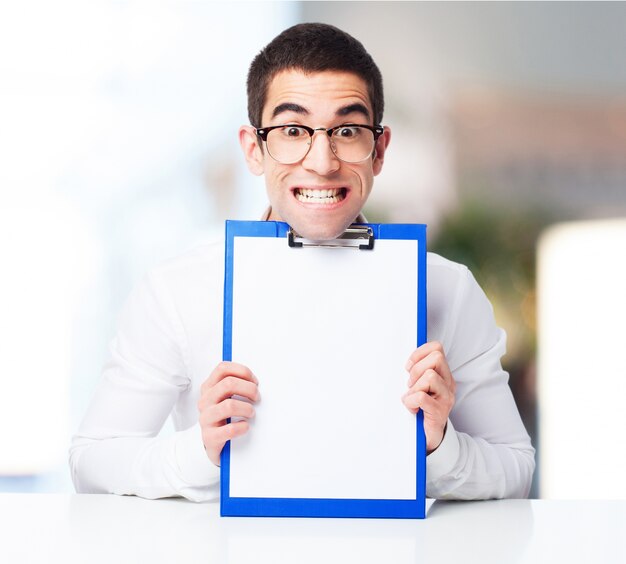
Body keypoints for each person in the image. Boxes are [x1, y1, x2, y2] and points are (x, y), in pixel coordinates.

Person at [69, 23, 535, 501]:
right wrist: (200, 449)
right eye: (293, 130)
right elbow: (92, 462)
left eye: (348, 130)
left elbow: (516, 468)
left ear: (379, 150)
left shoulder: (447, 288)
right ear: (255, 148)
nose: (323, 161)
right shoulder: (178, 289)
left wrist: (439, 446)